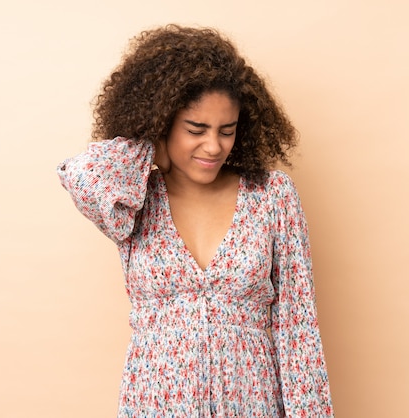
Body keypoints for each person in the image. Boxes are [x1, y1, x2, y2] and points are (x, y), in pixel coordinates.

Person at [57, 24, 334, 417]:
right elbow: (81, 174)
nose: (214, 146)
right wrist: (147, 144)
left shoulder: (272, 196)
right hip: (155, 404)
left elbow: (298, 332)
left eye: (227, 130)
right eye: (195, 129)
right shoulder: (134, 198)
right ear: (163, 121)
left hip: (251, 406)